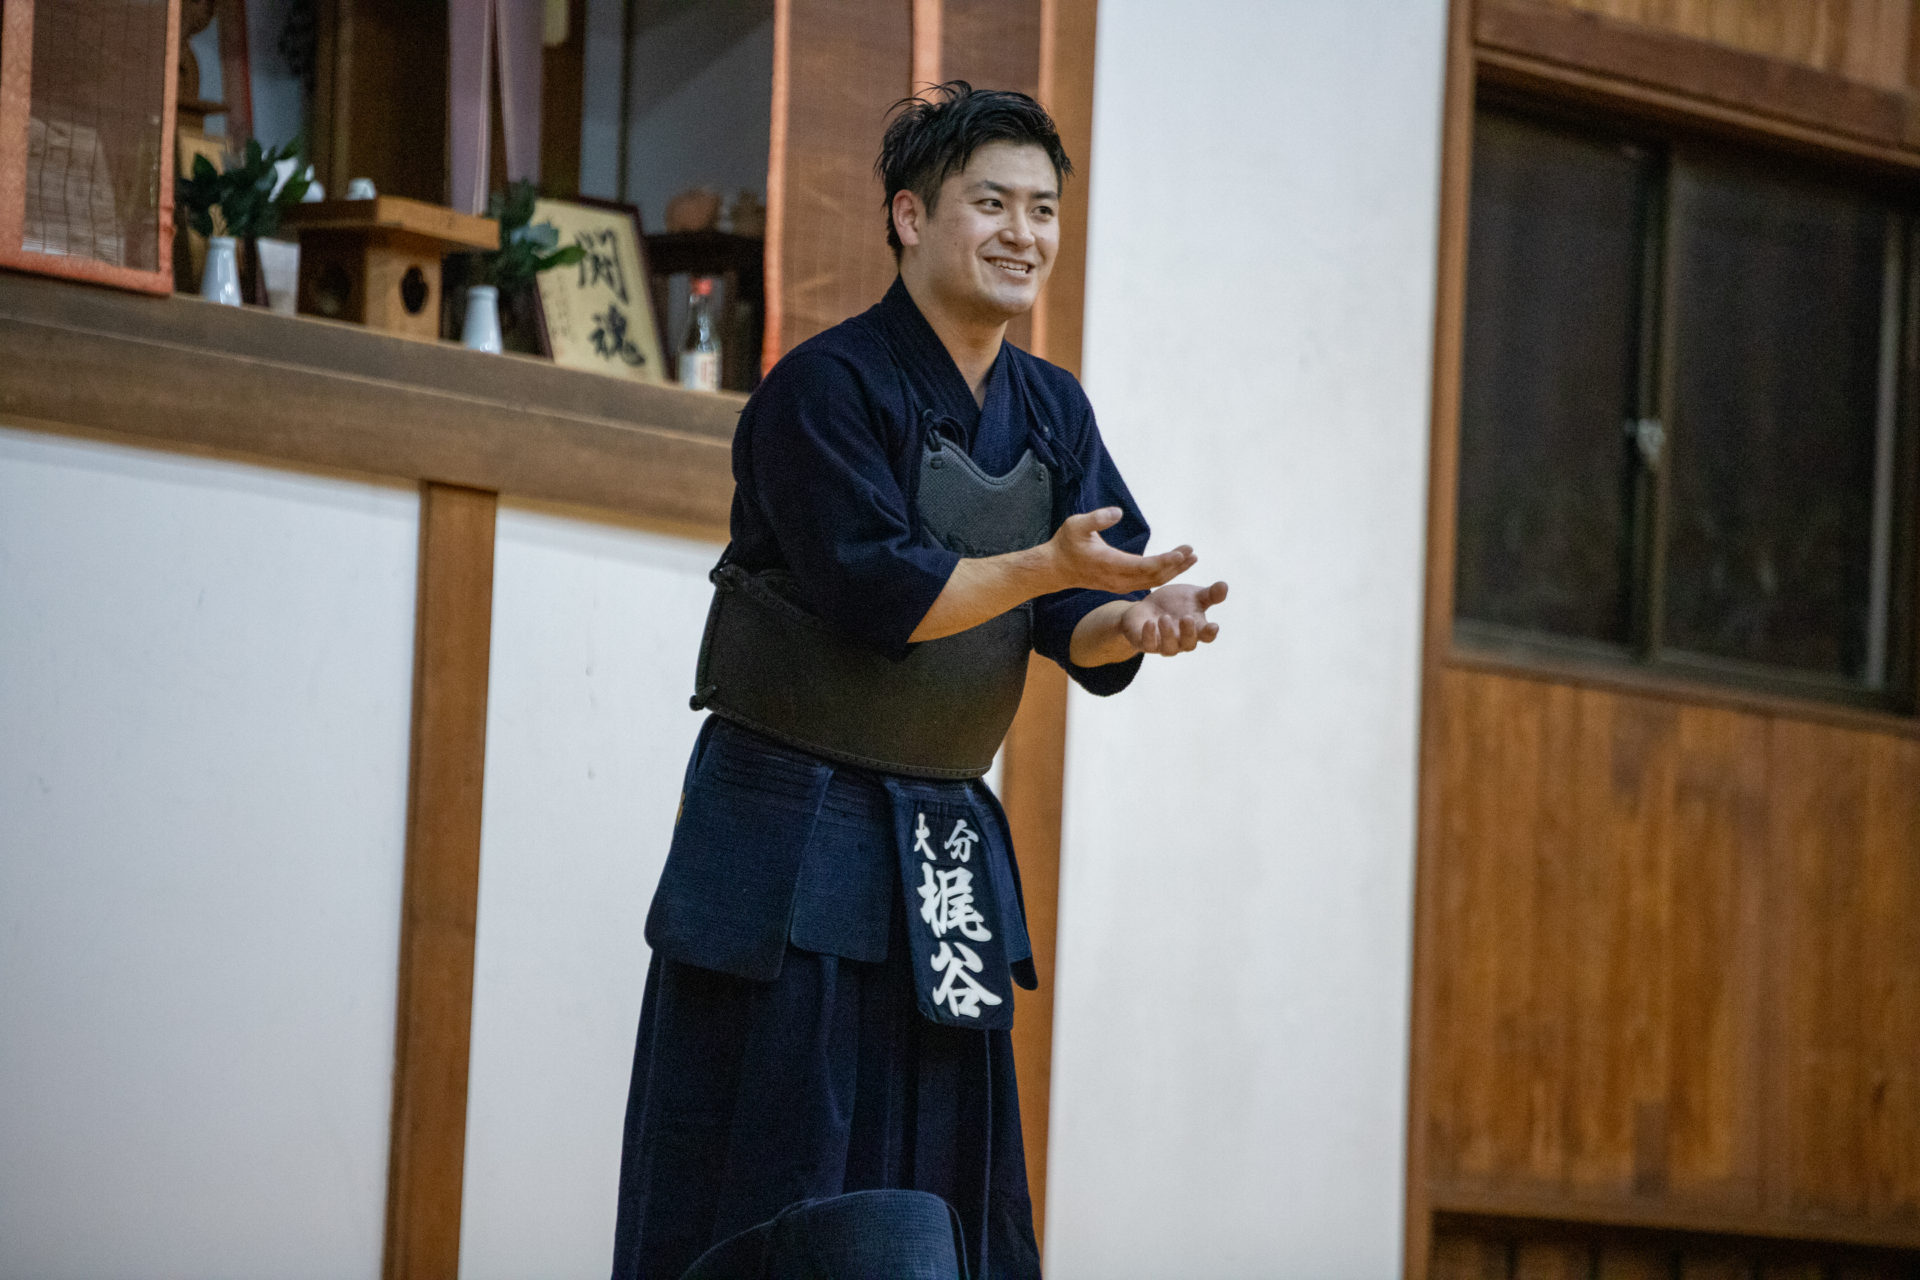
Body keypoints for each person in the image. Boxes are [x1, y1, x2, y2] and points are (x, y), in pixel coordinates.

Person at [610, 82, 1228, 1280]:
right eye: (991, 203)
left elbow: (1075, 613)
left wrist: (1139, 620)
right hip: (789, 833)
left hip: (940, 838)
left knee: (948, 1177)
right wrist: (1048, 568)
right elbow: (883, 593)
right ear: (909, 215)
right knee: (776, 1164)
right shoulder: (823, 387)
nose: (1023, 233)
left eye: (1043, 209)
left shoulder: (1051, 407)